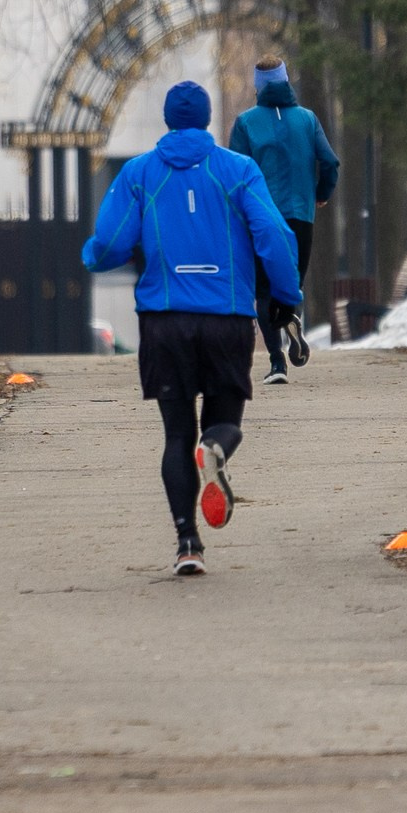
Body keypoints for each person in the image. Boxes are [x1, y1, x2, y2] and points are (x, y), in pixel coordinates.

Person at [82, 80, 302, 576]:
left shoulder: (139, 173)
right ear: (206, 120)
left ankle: (187, 543)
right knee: (225, 422)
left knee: (175, 434)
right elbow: (272, 234)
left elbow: (111, 241)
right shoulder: (239, 170)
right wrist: (286, 296)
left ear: (167, 119)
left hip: (165, 322)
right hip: (226, 320)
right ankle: (217, 448)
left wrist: (93, 255)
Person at [227, 54, 340, 385]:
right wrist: (321, 192)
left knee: (263, 289)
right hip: (301, 214)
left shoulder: (246, 123)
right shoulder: (307, 120)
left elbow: (236, 174)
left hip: (262, 219)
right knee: (291, 283)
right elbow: (330, 162)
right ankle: (291, 318)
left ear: (257, 86)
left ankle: (277, 363)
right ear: (286, 80)